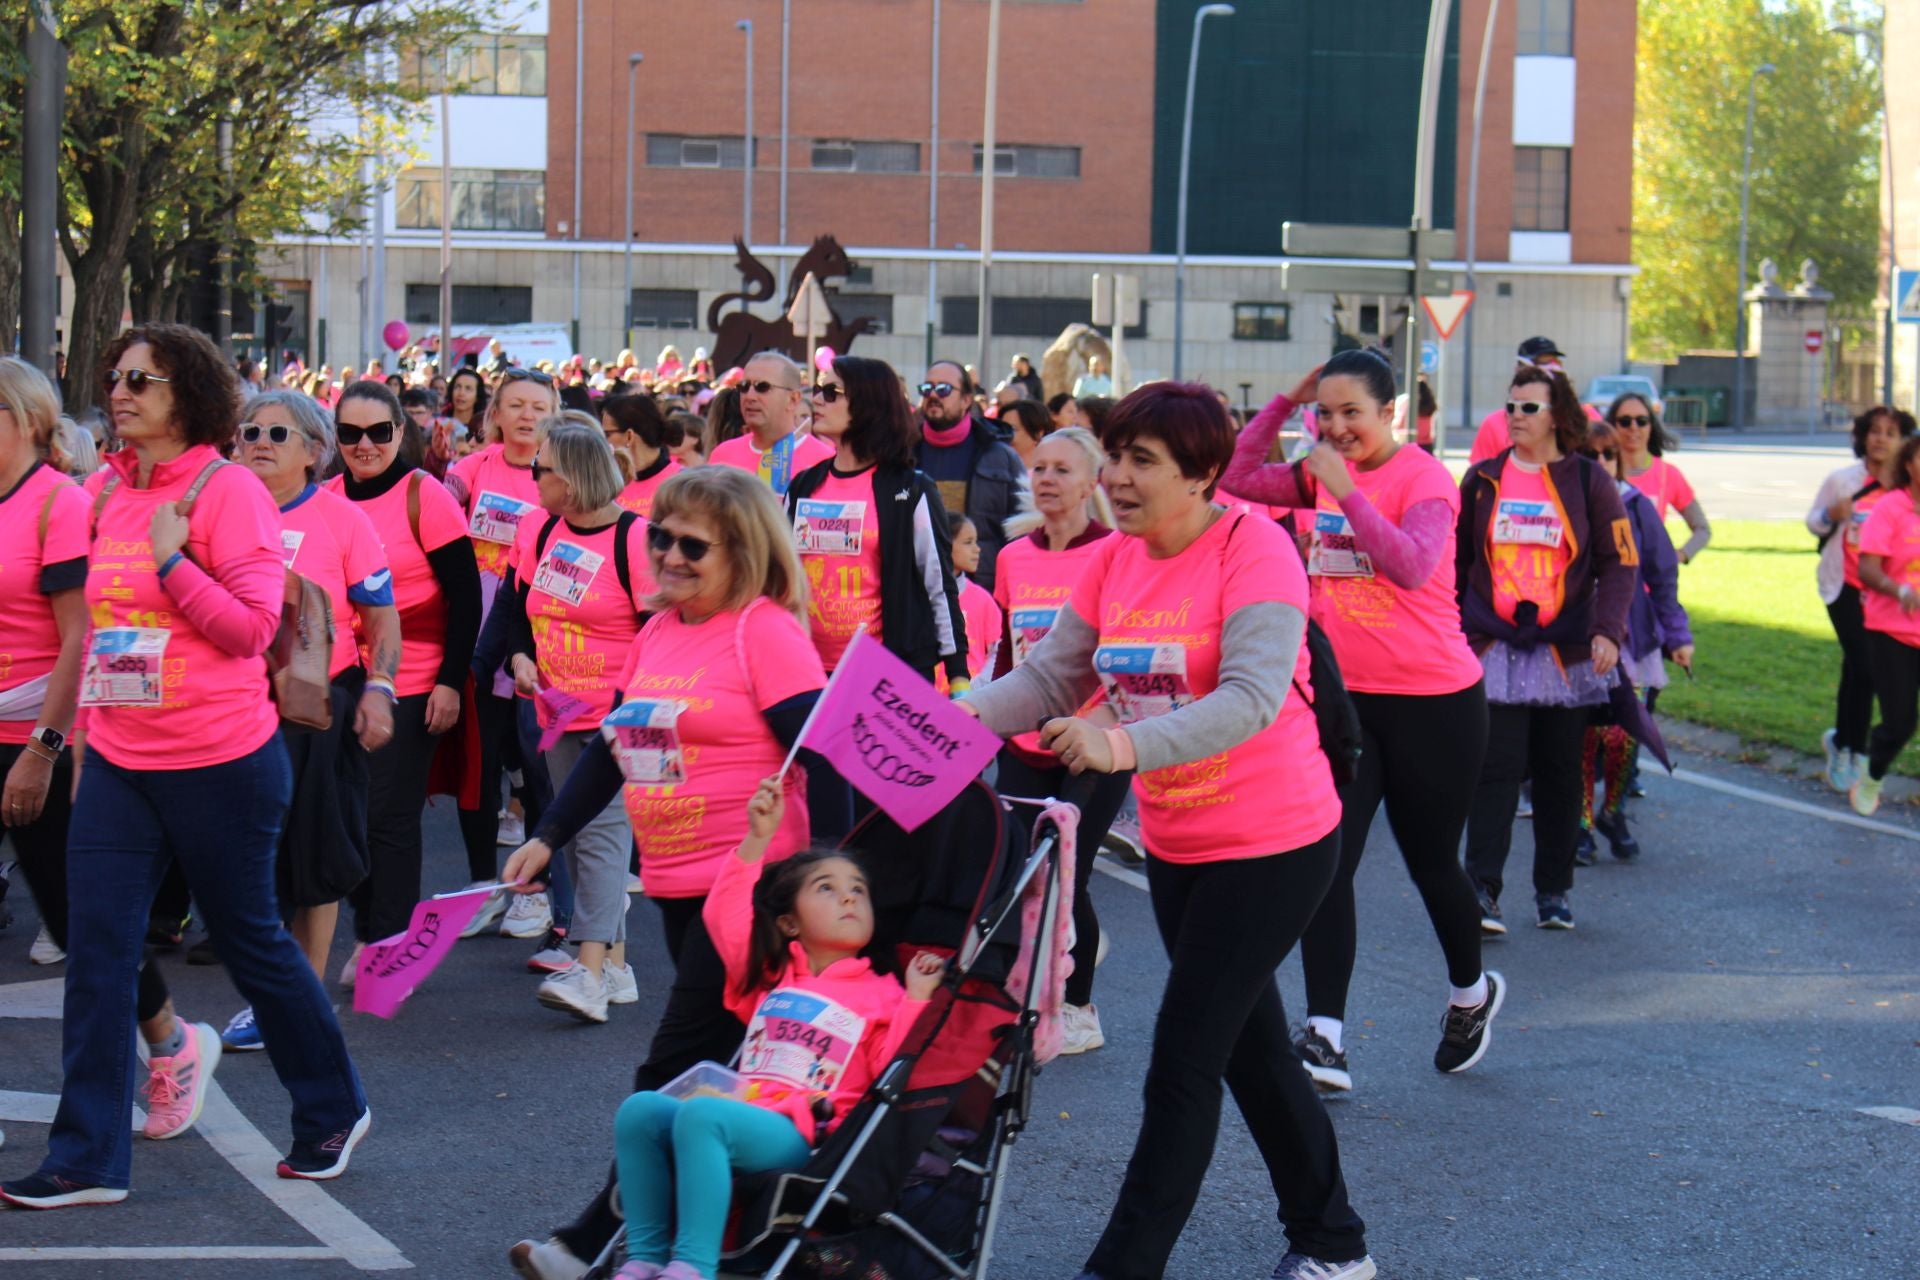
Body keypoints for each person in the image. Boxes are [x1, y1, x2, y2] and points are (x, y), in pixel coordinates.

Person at [961, 382, 1373, 1280]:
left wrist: (1119, 744)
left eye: (1141, 461)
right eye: (1115, 455)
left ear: (1204, 474)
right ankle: (1335, 1244)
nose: (1118, 476)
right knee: (1255, 1054)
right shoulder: (1115, 560)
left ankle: (1123, 1266)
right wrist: (944, 721)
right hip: (1181, 843)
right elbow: (1045, 682)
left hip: (1277, 844)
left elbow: (1252, 698)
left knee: (1184, 1062)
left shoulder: (1255, 550)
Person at [0, 325, 370, 1209]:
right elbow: (93, 637)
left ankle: (332, 1107)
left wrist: (172, 560)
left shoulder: (227, 490)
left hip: (223, 763)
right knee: (99, 956)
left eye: (143, 380)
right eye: (115, 377)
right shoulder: (104, 492)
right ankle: (87, 1157)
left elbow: (248, 631)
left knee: (251, 943)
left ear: (188, 396)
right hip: (123, 765)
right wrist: (81, 750)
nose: (120, 392)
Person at [503, 466, 841, 1279]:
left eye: (694, 544)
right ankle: (709, 1241)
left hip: (752, 891)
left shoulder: (761, 631)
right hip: (677, 880)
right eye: (662, 536)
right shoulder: (658, 632)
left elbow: (826, 759)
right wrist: (548, 836)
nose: (671, 555)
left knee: (669, 1070)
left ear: (744, 551)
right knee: (716, 1073)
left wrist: (827, 885)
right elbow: (618, 748)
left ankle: (590, 1241)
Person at [1221, 349, 1501, 1093]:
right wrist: (1284, 398)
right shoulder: (1315, 471)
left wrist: (1348, 494)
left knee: (1431, 861)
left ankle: (1470, 994)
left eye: (1354, 413)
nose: (1338, 427)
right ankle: (1326, 1035)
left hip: (1436, 703)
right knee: (1330, 863)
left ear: (1390, 416)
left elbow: (1410, 566)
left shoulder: (1425, 479)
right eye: (1328, 412)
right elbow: (1238, 477)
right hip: (1346, 701)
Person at [599, 777, 943, 1280]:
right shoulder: (772, 975)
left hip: (806, 1133)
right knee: (641, 1110)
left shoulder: (884, 992)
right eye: (827, 889)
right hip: (742, 1107)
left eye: (858, 891)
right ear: (788, 924)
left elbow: (895, 1069)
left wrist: (915, 1000)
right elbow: (723, 916)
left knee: (702, 1118)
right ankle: (646, 1258)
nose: (848, 899)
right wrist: (756, 841)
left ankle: (692, 1266)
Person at [219, 389, 400, 1050]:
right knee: (250, 859)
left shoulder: (344, 521)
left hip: (316, 709)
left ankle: (302, 999)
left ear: (314, 452)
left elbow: (380, 617)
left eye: (278, 432)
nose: (259, 441)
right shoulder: (215, 513)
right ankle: (274, 996)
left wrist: (380, 688)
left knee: (316, 858)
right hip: (231, 709)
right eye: (249, 430)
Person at [1458, 365, 1636, 932]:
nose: (1514, 416)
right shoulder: (1482, 479)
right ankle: (1481, 891)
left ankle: (1554, 891)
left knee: (1561, 774)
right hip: (1498, 648)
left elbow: (1620, 561)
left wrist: (1608, 630)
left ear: (1558, 417)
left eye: (1528, 408)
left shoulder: (1590, 482)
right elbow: (1458, 564)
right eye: (1510, 406)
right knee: (1496, 770)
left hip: (1568, 654)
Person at [326, 381, 481, 983]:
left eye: (378, 432)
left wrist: (449, 682)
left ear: (400, 433)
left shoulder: (426, 496)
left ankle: (385, 946)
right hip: (342, 678)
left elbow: (466, 599)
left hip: (414, 681)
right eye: (350, 433)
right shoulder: (327, 497)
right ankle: (372, 932)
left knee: (386, 817)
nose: (364, 445)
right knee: (346, 812)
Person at [505, 420, 656, 1021]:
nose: (531, 478)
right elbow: (519, 607)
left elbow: (660, 630)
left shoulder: (635, 540)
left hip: (617, 716)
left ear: (569, 478)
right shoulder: (539, 528)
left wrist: (632, 706)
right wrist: (520, 656)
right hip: (555, 711)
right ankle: (615, 964)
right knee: (576, 839)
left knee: (599, 839)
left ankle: (590, 971)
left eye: (539, 469)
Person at [987, 425, 1128, 1056]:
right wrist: (984, 722)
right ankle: (1040, 981)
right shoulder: (1014, 554)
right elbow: (1003, 652)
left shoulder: (1118, 551)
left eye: (1062, 470)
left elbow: (1121, 655)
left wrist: (1095, 723)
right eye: (1039, 468)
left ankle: (1080, 1007)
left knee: (1067, 872)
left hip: (1094, 739)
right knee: (1025, 870)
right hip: (1025, 740)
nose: (1045, 479)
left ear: (1092, 482)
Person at [0, 357, 99, 1074]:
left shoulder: (57, 503)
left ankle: (167, 1040)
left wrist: (42, 750)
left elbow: (80, 637)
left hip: (36, 732)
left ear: (30, 423)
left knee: (74, 918)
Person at [446, 367, 556, 936]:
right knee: (482, 765)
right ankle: (481, 883)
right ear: (496, 412)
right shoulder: (469, 471)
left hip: (539, 640)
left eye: (538, 406)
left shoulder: (560, 475)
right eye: (515, 404)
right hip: (476, 636)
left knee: (537, 768)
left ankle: (533, 889)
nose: (526, 416)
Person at [789, 355, 969, 685]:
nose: (816, 399)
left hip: (886, 675)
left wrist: (958, 675)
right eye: (817, 389)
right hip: (808, 673)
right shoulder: (803, 485)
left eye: (831, 392)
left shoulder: (910, 489)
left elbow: (939, 585)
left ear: (867, 403)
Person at [1574, 420, 1693, 865]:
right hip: (1578, 641)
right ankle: (1581, 825)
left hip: (1632, 643)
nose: (1601, 462)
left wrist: (1678, 636)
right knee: (1586, 738)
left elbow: (1663, 576)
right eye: (1591, 454)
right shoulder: (1565, 505)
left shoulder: (1636, 506)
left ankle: (1613, 810)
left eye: (1608, 454)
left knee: (1625, 735)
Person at [1809, 406, 1915, 792]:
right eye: (1874, 430)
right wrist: (1831, 514)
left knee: (1857, 670)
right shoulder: (1843, 481)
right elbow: (1813, 523)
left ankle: (1840, 741)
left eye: (1891, 432)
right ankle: (1852, 748)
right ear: (1862, 437)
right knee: (1866, 667)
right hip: (1844, 585)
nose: (1881, 439)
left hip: (1884, 596)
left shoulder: (1907, 490)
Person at [1848, 433, 1920, 816]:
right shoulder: (1891, 508)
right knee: (1900, 722)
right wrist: (1901, 590)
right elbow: (1868, 569)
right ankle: (1872, 774)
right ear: (1909, 463)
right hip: (1892, 630)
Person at [916, 359, 1028, 592]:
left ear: (967, 399)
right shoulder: (903, 453)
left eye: (944, 389)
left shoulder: (1001, 457)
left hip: (982, 589)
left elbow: (1022, 531)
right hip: (916, 588)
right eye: (927, 388)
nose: (933, 395)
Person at [707, 352, 832, 497]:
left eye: (762, 387)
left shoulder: (824, 461)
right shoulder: (723, 454)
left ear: (793, 399)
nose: (750, 396)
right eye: (744, 386)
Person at [1467, 337, 1599, 464]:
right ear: (1518, 369)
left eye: (1553, 363)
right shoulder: (1493, 425)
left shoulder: (1587, 417)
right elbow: (1480, 477)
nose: (1548, 371)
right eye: (1538, 364)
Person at [1610, 394, 1710, 562]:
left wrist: (1679, 556)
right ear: (1613, 426)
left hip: (1651, 584)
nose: (1633, 427)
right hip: (1609, 582)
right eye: (1625, 421)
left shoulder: (1667, 474)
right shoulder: (1601, 472)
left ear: (1651, 426)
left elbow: (1702, 529)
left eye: (1641, 421)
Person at [602, 393, 683, 518]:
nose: (603, 441)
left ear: (629, 436)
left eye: (607, 434)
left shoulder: (681, 482)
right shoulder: (609, 480)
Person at [948, 513, 1002, 681]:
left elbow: (998, 652)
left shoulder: (982, 599)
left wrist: (978, 688)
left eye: (976, 541)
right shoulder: (918, 598)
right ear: (944, 544)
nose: (977, 549)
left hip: (971, 701)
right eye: (968, 542)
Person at [1001, 398, 1052, 469]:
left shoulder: (1050, 476)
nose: (1003, 435)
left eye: (1012, 429)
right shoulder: (992, 471)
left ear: (1038, 434)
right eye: (1001, 429)